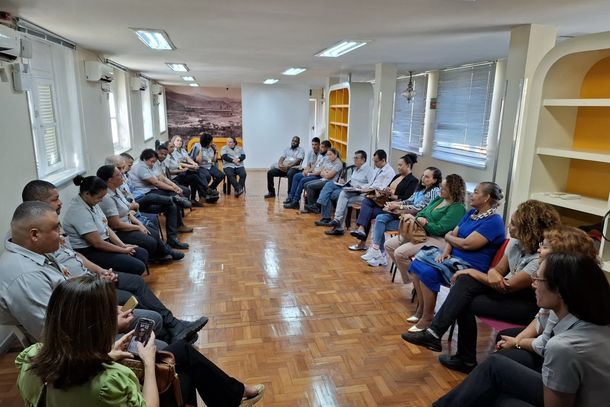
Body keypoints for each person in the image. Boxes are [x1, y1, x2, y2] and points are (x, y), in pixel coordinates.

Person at [15, 275, 266, 407]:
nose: (118, 309)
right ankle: (234, 395)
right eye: (110, 311)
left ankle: (235, 393)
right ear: (99, 325)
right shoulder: (109, 381)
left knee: (182, 353)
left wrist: (108, 354)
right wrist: (146, 361)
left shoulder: (32, 358)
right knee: (176, 371)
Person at [20, 181, 207, 344]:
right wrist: (99, 278)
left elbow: (74, 256)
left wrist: (101, 272)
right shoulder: (34, 245)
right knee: (129, 297)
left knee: (137, 281)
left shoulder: (51, 227)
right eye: (55, 199)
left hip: (90, 277)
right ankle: (168, 337)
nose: (60, 202)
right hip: (84, 290)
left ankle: (174, 326)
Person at [402, 200, 560, 373]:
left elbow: (509, 286)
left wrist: (474, 272)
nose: (509, 225)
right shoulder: (515, 243)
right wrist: (490, 275)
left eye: (514, 223)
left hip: (527, 303)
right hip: (504, 290)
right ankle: (437, 336)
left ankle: (462, 356)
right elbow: (497, 270)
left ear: (528, 228)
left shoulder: (539, 258)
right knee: (464, 285)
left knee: (464, 298)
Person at [433, 252, 610, 407]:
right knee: (494, 372)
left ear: (560, 290)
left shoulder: (563, 347)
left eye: (539, 279)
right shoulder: (594, 320)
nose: (533, 284)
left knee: (498, 395)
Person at [0, 202, 161, 343]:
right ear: (34, 234)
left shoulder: (37, 252)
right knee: (153, 328)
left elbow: (68, 293)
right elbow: (54, 335)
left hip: (82, 315)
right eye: (56, 228)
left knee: (152, 320)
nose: (62, 233)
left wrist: (103, 308)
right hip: (76, 346)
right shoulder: (26, 277)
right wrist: (111, 325)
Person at [402, 182, 506, 333]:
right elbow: (453, 234)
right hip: (451, 258)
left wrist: (448, 238)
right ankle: (421, 310)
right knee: (418, 263)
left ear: (486, 198)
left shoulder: (494, 221)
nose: (471, 194)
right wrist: (446, 251)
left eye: (476, 192)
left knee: (427, 272)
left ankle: (427, 318)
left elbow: (467, 245)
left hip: (470, 267)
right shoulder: (471, 214)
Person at [494, 225, 600, 372]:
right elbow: (540, 318)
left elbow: (545, 343)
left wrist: (517, 342)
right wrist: (517, 340)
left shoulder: (565, 287)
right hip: (550, 344)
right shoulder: (555, 277)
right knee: (504, 339)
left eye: (544, 246)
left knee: (499, 361)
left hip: (560, 357)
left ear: (561, 252)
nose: (538, 250)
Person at [384, 174, 466, 283]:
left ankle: (417, 284)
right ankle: (414, 280)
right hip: (421, 232)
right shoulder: (438, 199)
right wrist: (421, 220)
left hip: (438, 239)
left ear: (453, 190)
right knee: (389, 245)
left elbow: (440, 229)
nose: (440, 189)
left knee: (400, 253)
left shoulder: (457, 208)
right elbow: (421, 213)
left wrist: (426, 223)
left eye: (444, 188)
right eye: (441, 186)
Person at [62, 175, 149, 276]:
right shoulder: (78, 211)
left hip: (104, 243)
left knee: (141, 253)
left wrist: (123, 245)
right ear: (87, 194)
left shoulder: (91, 203)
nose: (101, 200)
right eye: (99, 197)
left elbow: (105, 226)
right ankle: (123, 282)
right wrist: (123, 250)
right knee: (136, 266)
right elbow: (97, 243)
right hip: (90, 252)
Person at [96, 165, 183, 263]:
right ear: (110, 180)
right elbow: (116, 225)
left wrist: (139, 224)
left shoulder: (117, 190)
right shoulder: (106, 198)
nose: (122, 175)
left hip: (128, 223)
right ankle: (160, 254)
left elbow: (127, 213)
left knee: (153, 232)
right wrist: (137, 227)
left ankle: (165, 253)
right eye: (119, 175)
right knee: (151, 241)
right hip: (119, 231)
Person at [362, 167, 442, 267]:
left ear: (435, 180)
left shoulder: (434, 191)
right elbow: (409, 200)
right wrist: (395, 203)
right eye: (423, 175)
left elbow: (420, 208)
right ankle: (377, 251)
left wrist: (398, 206)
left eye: (427, 177)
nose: (423, 178)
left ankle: (378, 253)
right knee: (380, 218)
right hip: (404, 216)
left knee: (380, 224)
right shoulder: (421, 189)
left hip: (414, 223)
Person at [348, 154, 420, 250]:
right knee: (366, 201)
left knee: (367, 213)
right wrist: (385, 191)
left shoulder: (413, 180)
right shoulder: (397, 176)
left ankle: (367, 244)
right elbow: (389, 187)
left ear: (408, 165)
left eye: (400, 165)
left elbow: (406, 198)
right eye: (398, 165)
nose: (398, 167)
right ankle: (361, 230)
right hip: (385, 202)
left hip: (394, 208)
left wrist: (392, 195)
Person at [322, 149, 396, 240]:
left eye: (376, 161)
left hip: (374, 197)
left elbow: (382, 189)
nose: (374, 164)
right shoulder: (377, 169)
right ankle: (337, 221)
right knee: (343, 194)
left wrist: (365, 189)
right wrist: (361, 187)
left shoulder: (389, 172)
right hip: (365, 192)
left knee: (343, 200)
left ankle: (339, 225)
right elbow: (371, 183)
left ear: (383, 160)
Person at [128, 149, 191, 250]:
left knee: (172, 206)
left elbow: (161, 177)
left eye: (154, 161)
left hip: (150, 192)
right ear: (144, 159)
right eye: (151, 161)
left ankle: (172, 238)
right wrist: (173, 188)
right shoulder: (140, 167)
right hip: (144, 196)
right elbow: (156, 183)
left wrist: (174, 186)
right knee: (165, 195)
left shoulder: (149, 165)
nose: (153, 164)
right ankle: (175, 199)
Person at [314, 149, 374, 226]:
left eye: (356, 158)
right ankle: (320, 206)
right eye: (354, 158)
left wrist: (360, 187)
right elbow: (353, 180)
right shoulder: (356, 168)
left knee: (328, 194)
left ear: (363, 159)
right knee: (329, 184)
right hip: (349, 187)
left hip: (356, 191)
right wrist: (344, 181)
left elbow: (371, 184)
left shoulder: (369, 170)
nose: (354, 160)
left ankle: (325, 216)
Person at [283, 140, 332, 208]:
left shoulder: (328, 158)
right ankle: (291, 197)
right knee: (296, 176)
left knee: (303, 180)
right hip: (313, 172)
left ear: (328, 148)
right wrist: (307, 171)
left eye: (322, 147)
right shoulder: (321, 155)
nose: (320, 148)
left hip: (318, 176)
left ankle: (295, 201)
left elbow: (321, 171)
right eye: (320, 147)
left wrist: (309, 174)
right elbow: (315, 165)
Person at [169, 135, 217, 204]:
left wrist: (194, 163)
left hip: (185, 170)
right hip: (178, 173)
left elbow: (188, 158)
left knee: (198, 174)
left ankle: (200, 195)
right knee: (195, 176)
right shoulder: (172, 152)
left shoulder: (182, 150)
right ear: (173, 142)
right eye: (177, 140)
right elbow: (179, 163)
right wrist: (190, 166)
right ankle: (205, 191)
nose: (179, 142)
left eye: (181, 141)